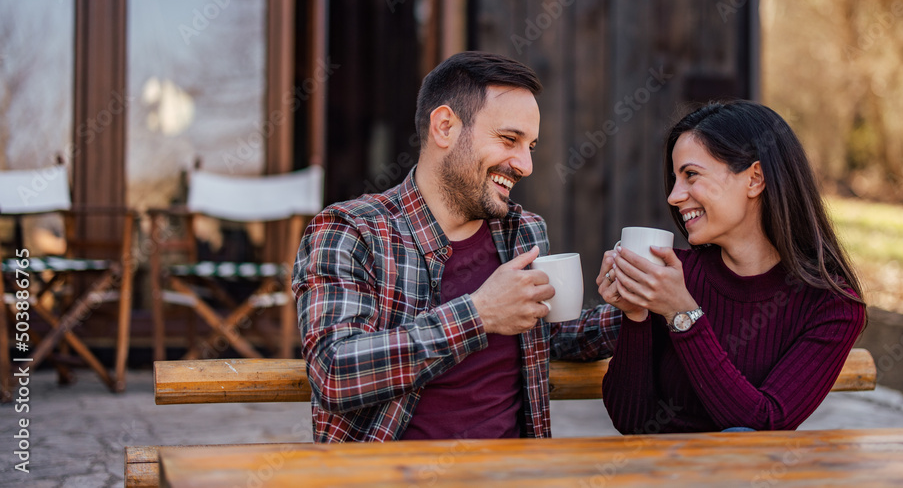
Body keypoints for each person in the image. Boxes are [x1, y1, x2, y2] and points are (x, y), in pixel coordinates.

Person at [293, 51, 620, 443]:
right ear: (445, 127)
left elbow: (547, 339)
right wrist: (478, 316)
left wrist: (632, 310)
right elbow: (334, 373)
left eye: (530, 146)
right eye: (509, 139)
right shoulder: (352, 230)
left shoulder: (524, 232)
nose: (525, 165)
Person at [598, 100, 866, 433]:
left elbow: (763, 425)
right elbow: (632, 423)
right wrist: (635, 315)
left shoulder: (832, 305)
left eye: (691, 175)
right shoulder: (672, 276)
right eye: (675, 178)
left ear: (754, 179)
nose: (674, 196)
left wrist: (682, 315)